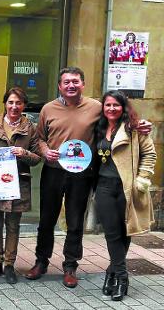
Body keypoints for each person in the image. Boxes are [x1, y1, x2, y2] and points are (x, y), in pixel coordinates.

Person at [26, 67, 151, 288]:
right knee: (46, 219)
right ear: (59, 86)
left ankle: (70, 266)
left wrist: (141, 124)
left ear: (83, 84)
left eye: (75, 81)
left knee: (75, 221)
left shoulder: (96, 107)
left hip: (83, 174)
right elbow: (39, 139)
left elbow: (118, 120)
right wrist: (45, 151)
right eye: (66, 82)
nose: (71, 86)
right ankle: (41, 261)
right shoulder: (48, 108)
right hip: (53, 171)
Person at [0, 87, 41, 284]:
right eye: (11, 102)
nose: (14, 106)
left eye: (18, 103)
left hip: (17, 185)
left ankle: (10, 264)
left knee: (13, 226)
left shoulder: (30, 128)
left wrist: (25, 153)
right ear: (5, 103)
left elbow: (38, 158)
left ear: (24, 105)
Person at [94, 90, 156, 301]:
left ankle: (111, 274)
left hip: (127, 188)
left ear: (124, 107)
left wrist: (142, 179)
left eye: (116, 105)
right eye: (108, 105)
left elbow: (149, 154)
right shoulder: (99, 128)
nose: (111, 109)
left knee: (124, 232)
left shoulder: (134, 128)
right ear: (103, 107)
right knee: (112, 234)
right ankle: (122, 277)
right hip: (103, 187)